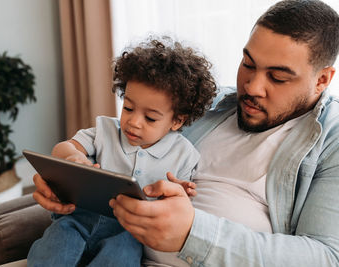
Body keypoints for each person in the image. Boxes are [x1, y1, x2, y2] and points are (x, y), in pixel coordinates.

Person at [33, 0, 339, 266]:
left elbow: (326, 257)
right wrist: (62, 179)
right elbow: (118, 152)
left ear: (322, 79)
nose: (252, 87)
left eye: (277, 77)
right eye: (248, 64)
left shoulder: (331, 139)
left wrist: (193, 234)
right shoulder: (205, 105)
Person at [27, 37, 217, 267]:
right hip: (77, 218)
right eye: (128, 108)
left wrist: (181, 191)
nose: (134, 122)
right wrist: (73, 156)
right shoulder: (106, 131)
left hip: (127, 231)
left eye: (150, 118)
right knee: (52, 251)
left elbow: (176, 204)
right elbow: (64, 147)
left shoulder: (184, 154)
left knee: (121, 258)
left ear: (177, 121)